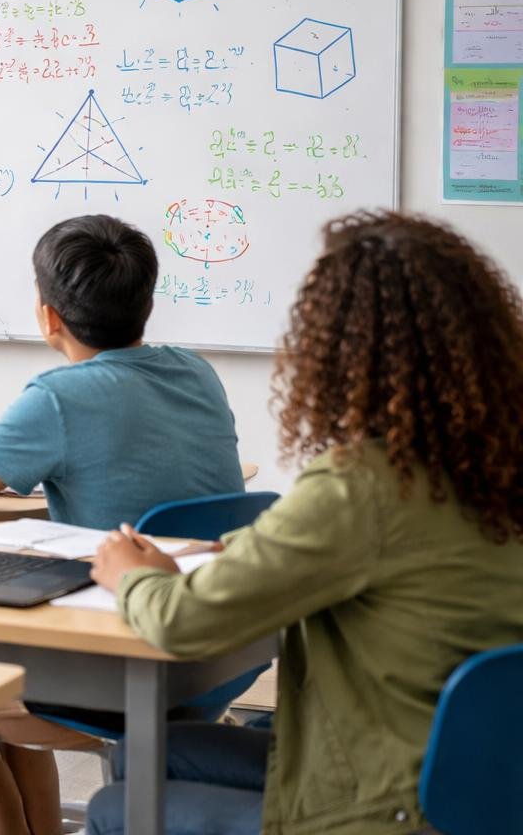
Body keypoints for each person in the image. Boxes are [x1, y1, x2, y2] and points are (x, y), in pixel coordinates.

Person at [87, 211, 523, 835]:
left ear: (342, 351)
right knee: (144, 752)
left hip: (387, 803)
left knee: (113, 808)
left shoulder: (365, 486)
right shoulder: (491, 461)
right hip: (480, 781)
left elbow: (181, 623)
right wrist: (245, 549)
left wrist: (130, 574)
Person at [0, 214, 244, 835]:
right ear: (147, 303)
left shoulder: (58, 398)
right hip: (220, 655)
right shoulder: (195, 371)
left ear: (48, 315)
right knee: (9, 666)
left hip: (129, 668)